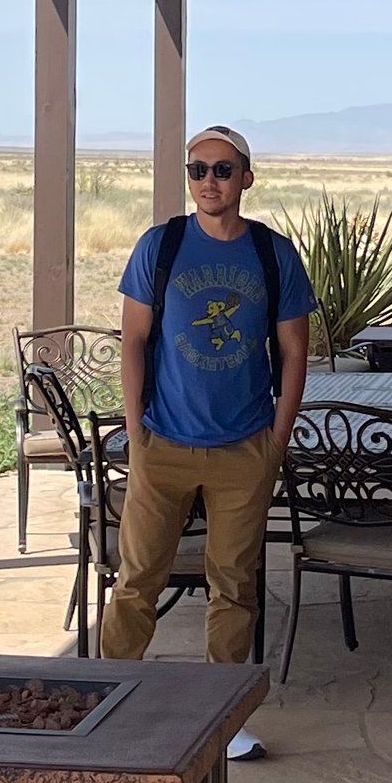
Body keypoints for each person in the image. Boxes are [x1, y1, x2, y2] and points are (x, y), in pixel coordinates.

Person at [102, 127, 314, 747]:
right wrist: (136, 426)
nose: (208, 181)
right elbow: (134, 341)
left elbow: (295, 352)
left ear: (247, 177)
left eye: (223, 170)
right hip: (163, 442)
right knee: (138, 575)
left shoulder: (274, 255)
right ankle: (111, 699)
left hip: (244, 445)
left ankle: (227, 718)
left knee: (235, 582)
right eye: (197, 170)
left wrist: (277, 437)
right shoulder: (161, 246)